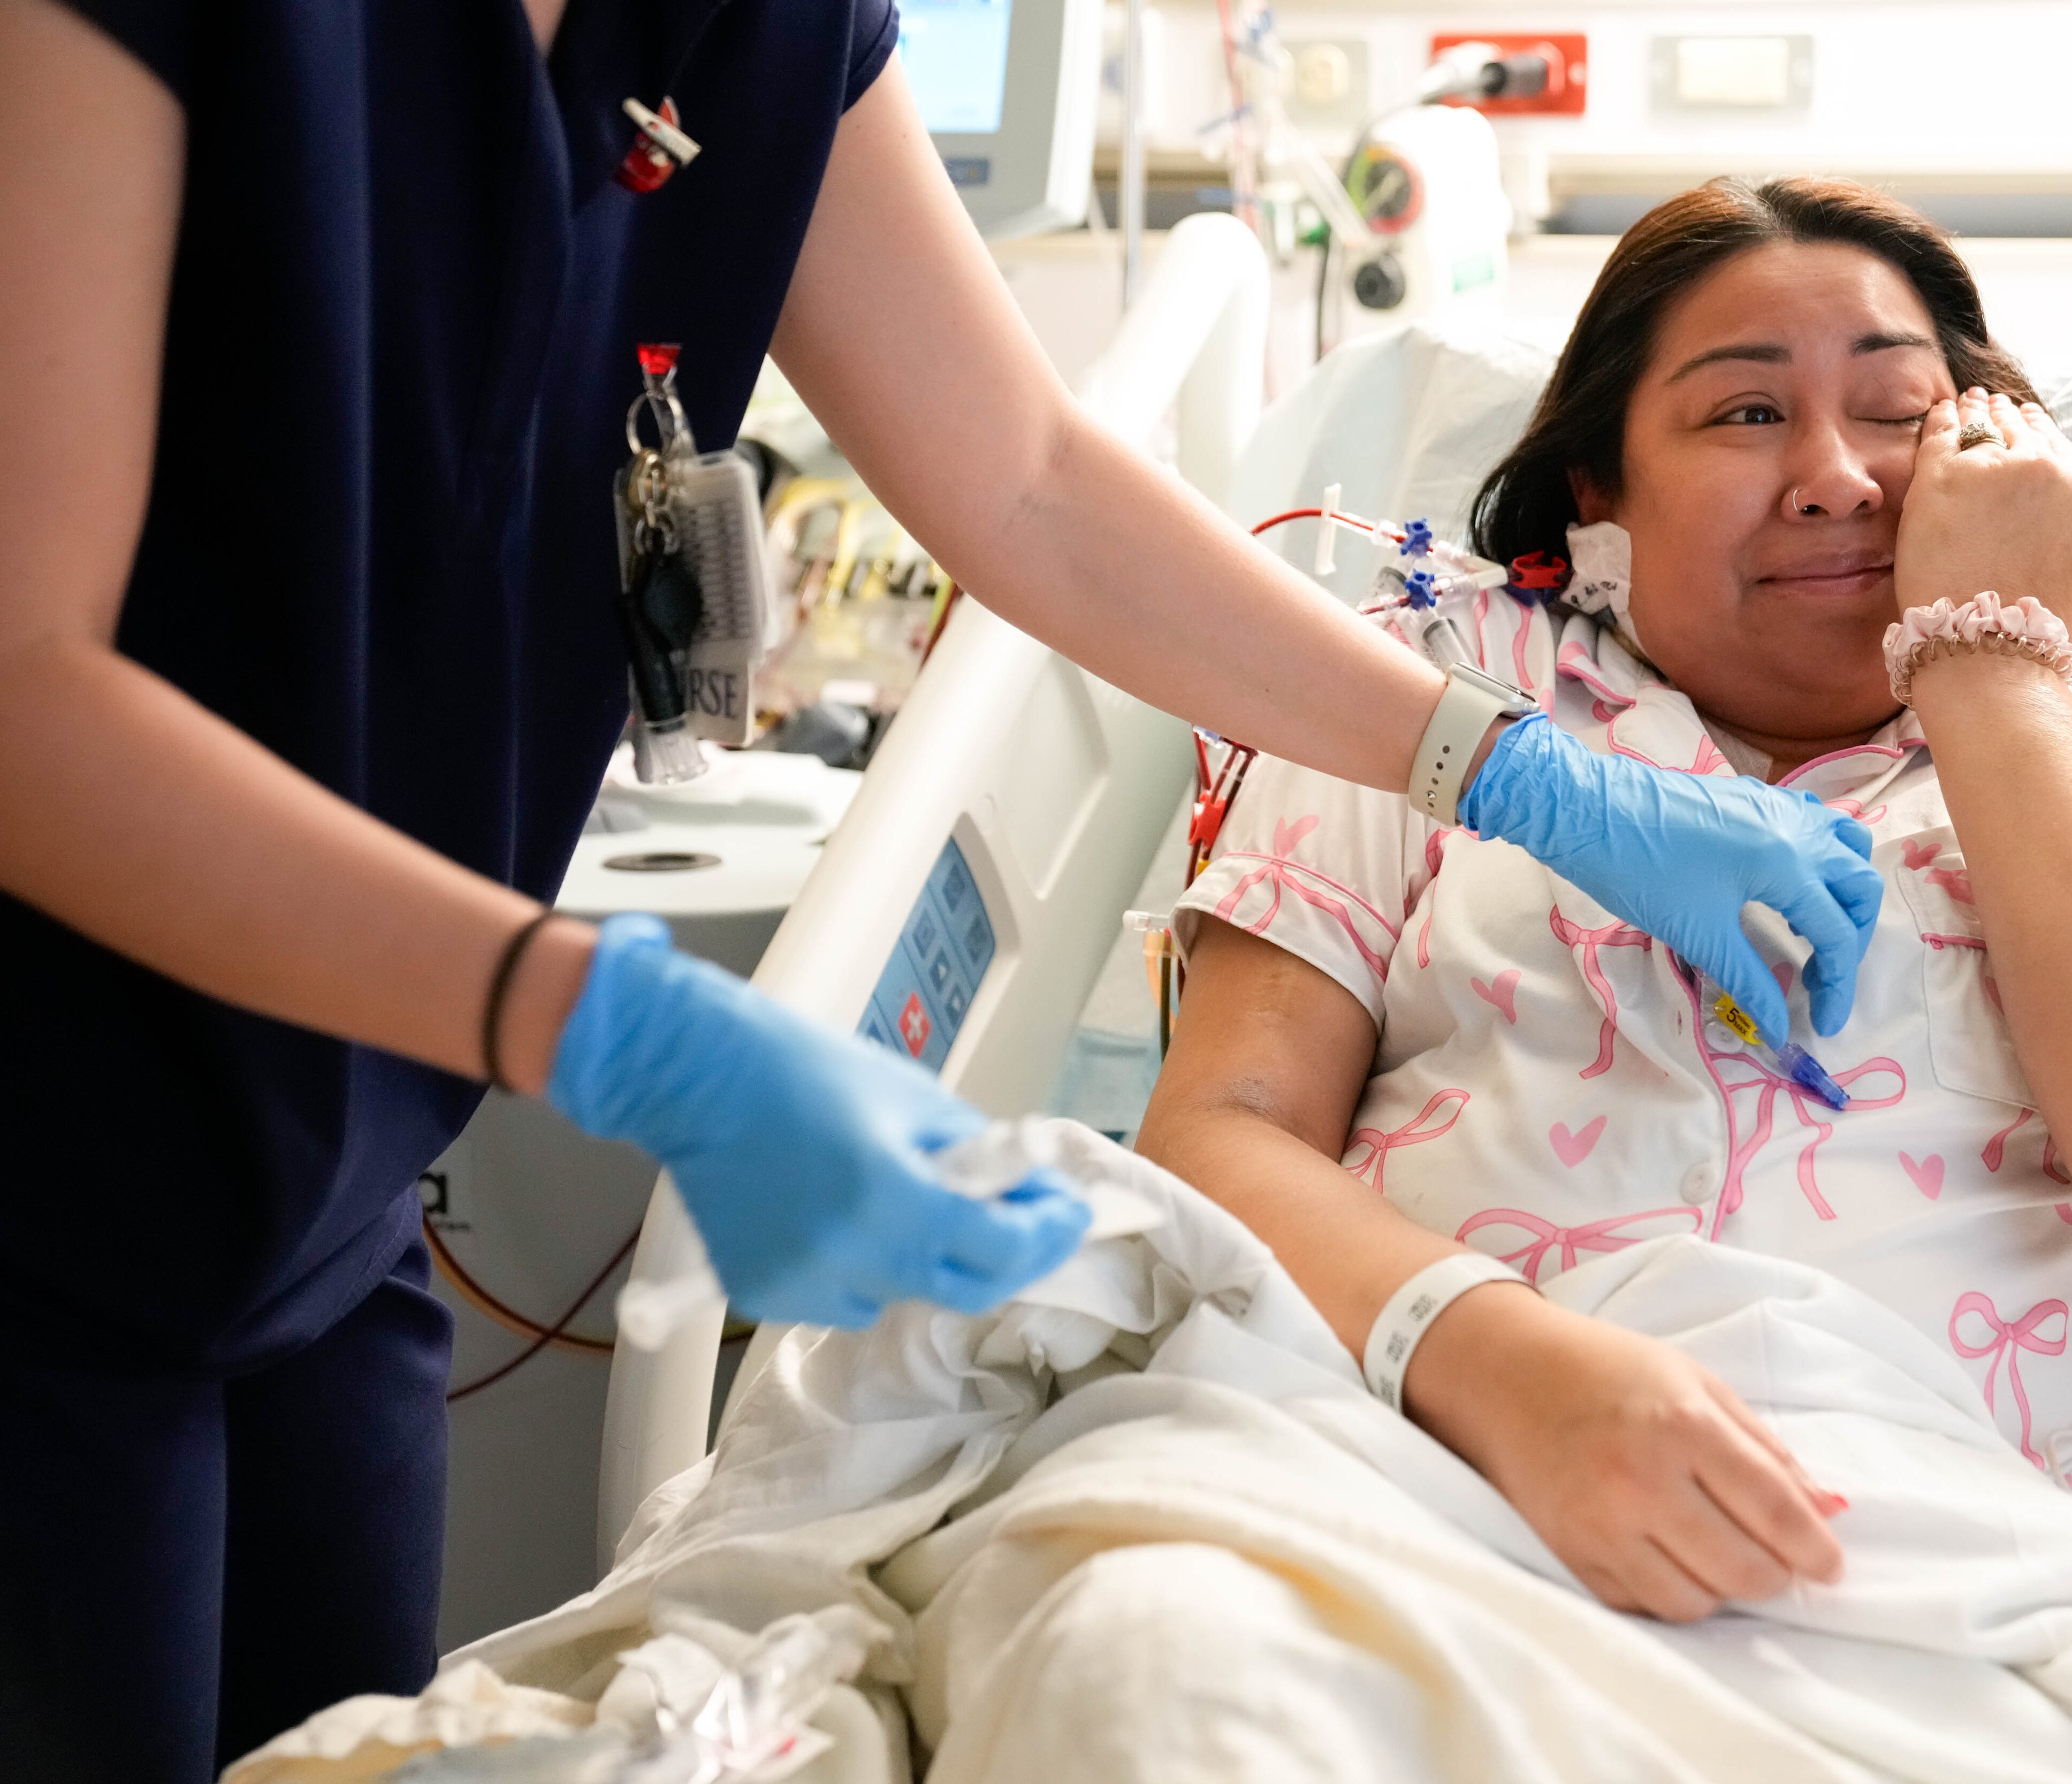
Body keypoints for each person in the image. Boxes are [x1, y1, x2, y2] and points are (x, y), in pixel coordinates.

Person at [0, 5, 1883, 1777]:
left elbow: (1033, 480)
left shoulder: (750, 26)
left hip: (314, 1213)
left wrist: (1525, 776)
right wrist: (616, 1027)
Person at [1138, 178, 2072, 1626]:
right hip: (1414, 1470)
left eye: (1903, 414)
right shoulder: (1425, 703)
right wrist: (1494, 1358)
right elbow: (1219, 1135)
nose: (1837, 476)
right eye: (1744, 414)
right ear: (1600, 487)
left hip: (1920, 1555)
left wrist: (1993, 669)